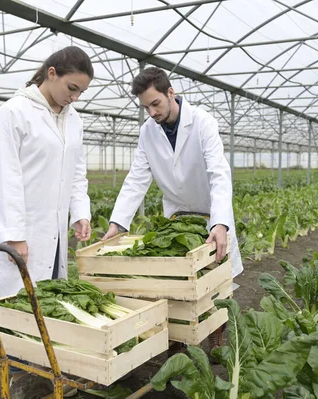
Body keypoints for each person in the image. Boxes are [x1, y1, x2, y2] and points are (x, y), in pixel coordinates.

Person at [102, 67, 243, 358]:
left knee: (213, 283)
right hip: (177, 220)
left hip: (209, 216)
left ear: (170, 93)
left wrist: (220, 223)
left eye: (156, 103)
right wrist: (118, 222)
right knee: (174, 283)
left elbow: (219, 174)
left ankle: (216, 335)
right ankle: (176, 340)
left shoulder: (202, 122)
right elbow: (137, 178)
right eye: (146, 107)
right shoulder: (147, 132)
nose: (152, 112)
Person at [0, 46, 94, 398]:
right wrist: (14, 235)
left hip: (54, 232)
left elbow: (77, 171)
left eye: (81, 92)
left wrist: (81, 212)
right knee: (17, 308)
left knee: (44, 304)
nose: (75, 98)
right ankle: (19, 378)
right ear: (51, 74)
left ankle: (44, 371)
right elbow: (6, 178)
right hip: (22, 231)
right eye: (71, 88)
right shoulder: (14, 112)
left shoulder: (72, 119)